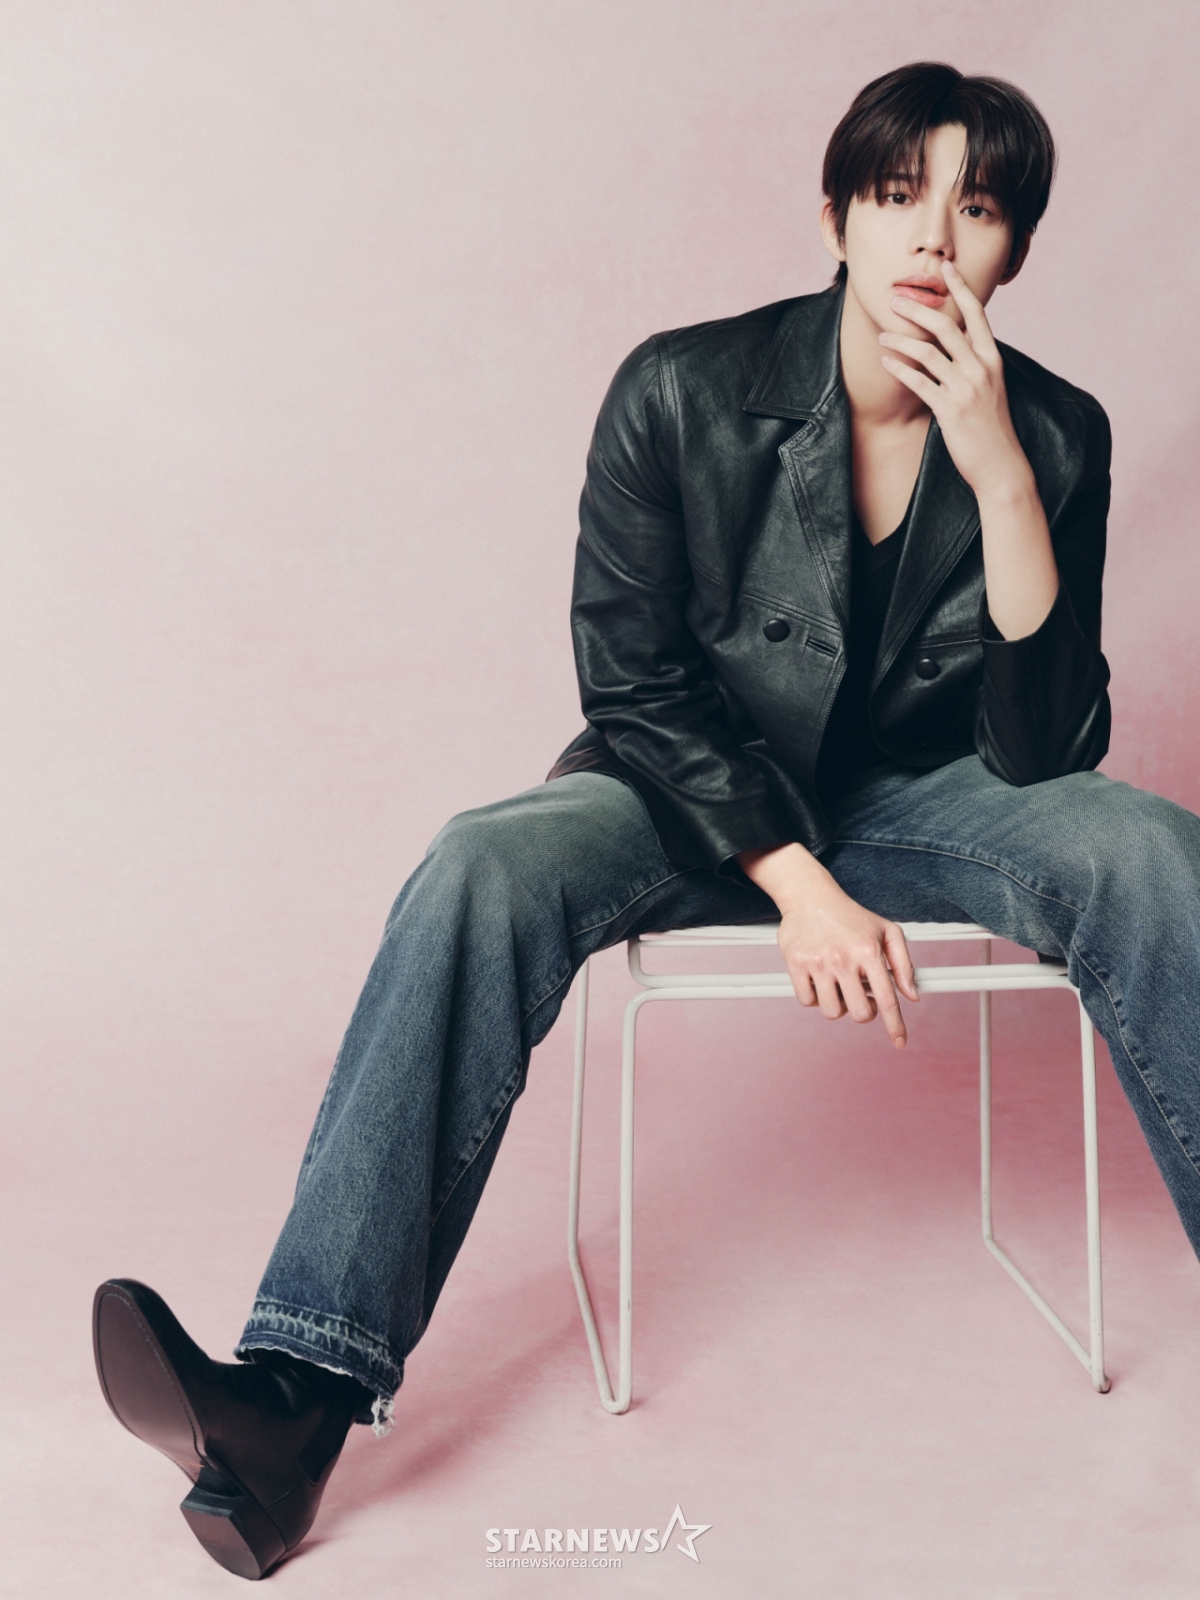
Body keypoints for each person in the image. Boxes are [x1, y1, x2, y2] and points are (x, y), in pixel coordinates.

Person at [93, 61, 1200, 1580]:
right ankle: (291, 1403)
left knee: (1150, 847)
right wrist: (797, 883)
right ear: (835, 217)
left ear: (1016, 251)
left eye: (980, 207)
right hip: (686, 787)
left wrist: (1003, 476)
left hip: (932, 803)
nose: (935, 237)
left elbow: (1048, 748)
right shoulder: (679, 389)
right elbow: (634, 681)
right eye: (898, 196)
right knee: (483, 862)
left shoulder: (1059, 434)